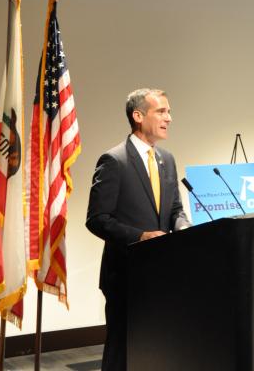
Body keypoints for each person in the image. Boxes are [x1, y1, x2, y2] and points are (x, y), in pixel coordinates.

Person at [85, 88, 191, 371]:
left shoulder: (166, 159)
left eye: (168, 111)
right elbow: (97, 219)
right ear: (138, 116)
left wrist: (184, 227)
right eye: (162, 111)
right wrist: (140, 237)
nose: (169, 117)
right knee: (123, 353)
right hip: (126, 274)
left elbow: (175, 210)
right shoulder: (114, 161)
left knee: (158, 348)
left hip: (163, 274)